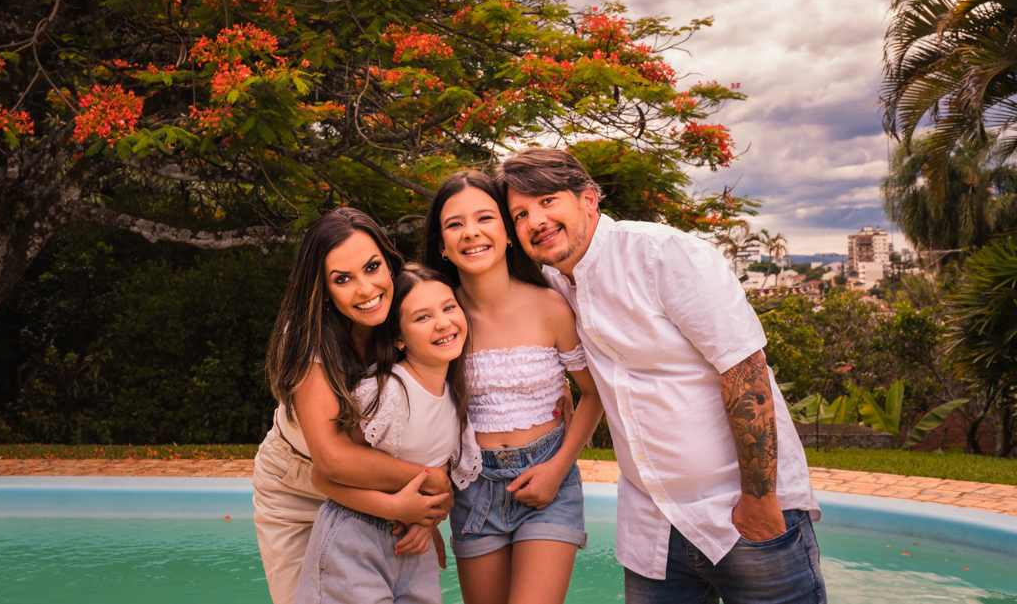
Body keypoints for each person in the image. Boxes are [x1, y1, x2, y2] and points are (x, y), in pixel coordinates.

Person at [495, 148, 826, 604]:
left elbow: (745, 370)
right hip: (652, 530)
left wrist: (761, 503)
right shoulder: (553, 287)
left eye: (548, 200)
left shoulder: (661, 254)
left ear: (589, 200)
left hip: (741, 516)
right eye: (520, 213)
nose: (535, 220)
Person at [253, 208, 454, 604]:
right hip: (299, 484)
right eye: (342, 279)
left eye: (372, 267)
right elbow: (331, 461)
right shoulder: (308, 337)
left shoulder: (403, 313)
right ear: (322, 289)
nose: (365, 289)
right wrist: (428, 485)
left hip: (378, 478)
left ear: (388, 261)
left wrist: (423, 511)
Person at [423, 171, 605, 604]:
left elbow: (593, 393)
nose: (471, 233)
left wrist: (557, 468)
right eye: (454, 224)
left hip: (548, 478)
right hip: (472, 485)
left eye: (485, 217)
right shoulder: (439, 319)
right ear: (443, 246)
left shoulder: (550, 305)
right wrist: (425, 509)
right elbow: (419, 407)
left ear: (507, 232)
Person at [296, 263, 482, 604]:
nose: (442, 322)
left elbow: (438, 485)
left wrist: (426, 520)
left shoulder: (456, 398)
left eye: (448, 307)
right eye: (422, 317)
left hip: (413, 544)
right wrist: (394, 507)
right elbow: (323, 476)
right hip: (355, 538)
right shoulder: (387, 393)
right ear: (398, 337)